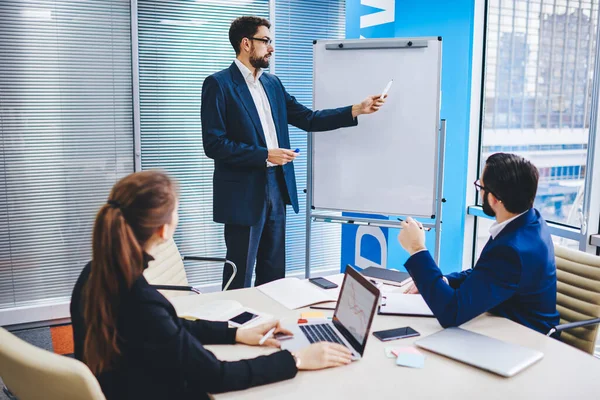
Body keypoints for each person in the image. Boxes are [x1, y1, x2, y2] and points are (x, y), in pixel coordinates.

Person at [70, 170, 352, 400]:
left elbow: (170, 328)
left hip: (122, 384)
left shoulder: (97, 273)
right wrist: (297, 359)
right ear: (163, 229)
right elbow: (216, 376)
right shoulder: (141, 301)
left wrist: (236, 334)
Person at [201, 16, 386, 289]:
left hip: (277, 186)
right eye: (265, 41)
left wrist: (356, 109)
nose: (271, 47)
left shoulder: (272, 84)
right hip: (243, 193)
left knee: (273, 271)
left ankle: (271, 325)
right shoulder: (219, 84)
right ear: (246, 44)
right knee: (239, 272)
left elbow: (308, 119)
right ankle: (234, 329)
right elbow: (214, 144)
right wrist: (265, 154)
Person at [399, 153, 560, 336]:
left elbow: (451, 313)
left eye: (480, 187)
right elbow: (486, 274)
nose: (480, 192)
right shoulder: (528, 221)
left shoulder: (512, 249)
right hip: (501, 323)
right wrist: (445, 281)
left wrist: (417, 249)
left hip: (524, 339)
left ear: (493, 199)